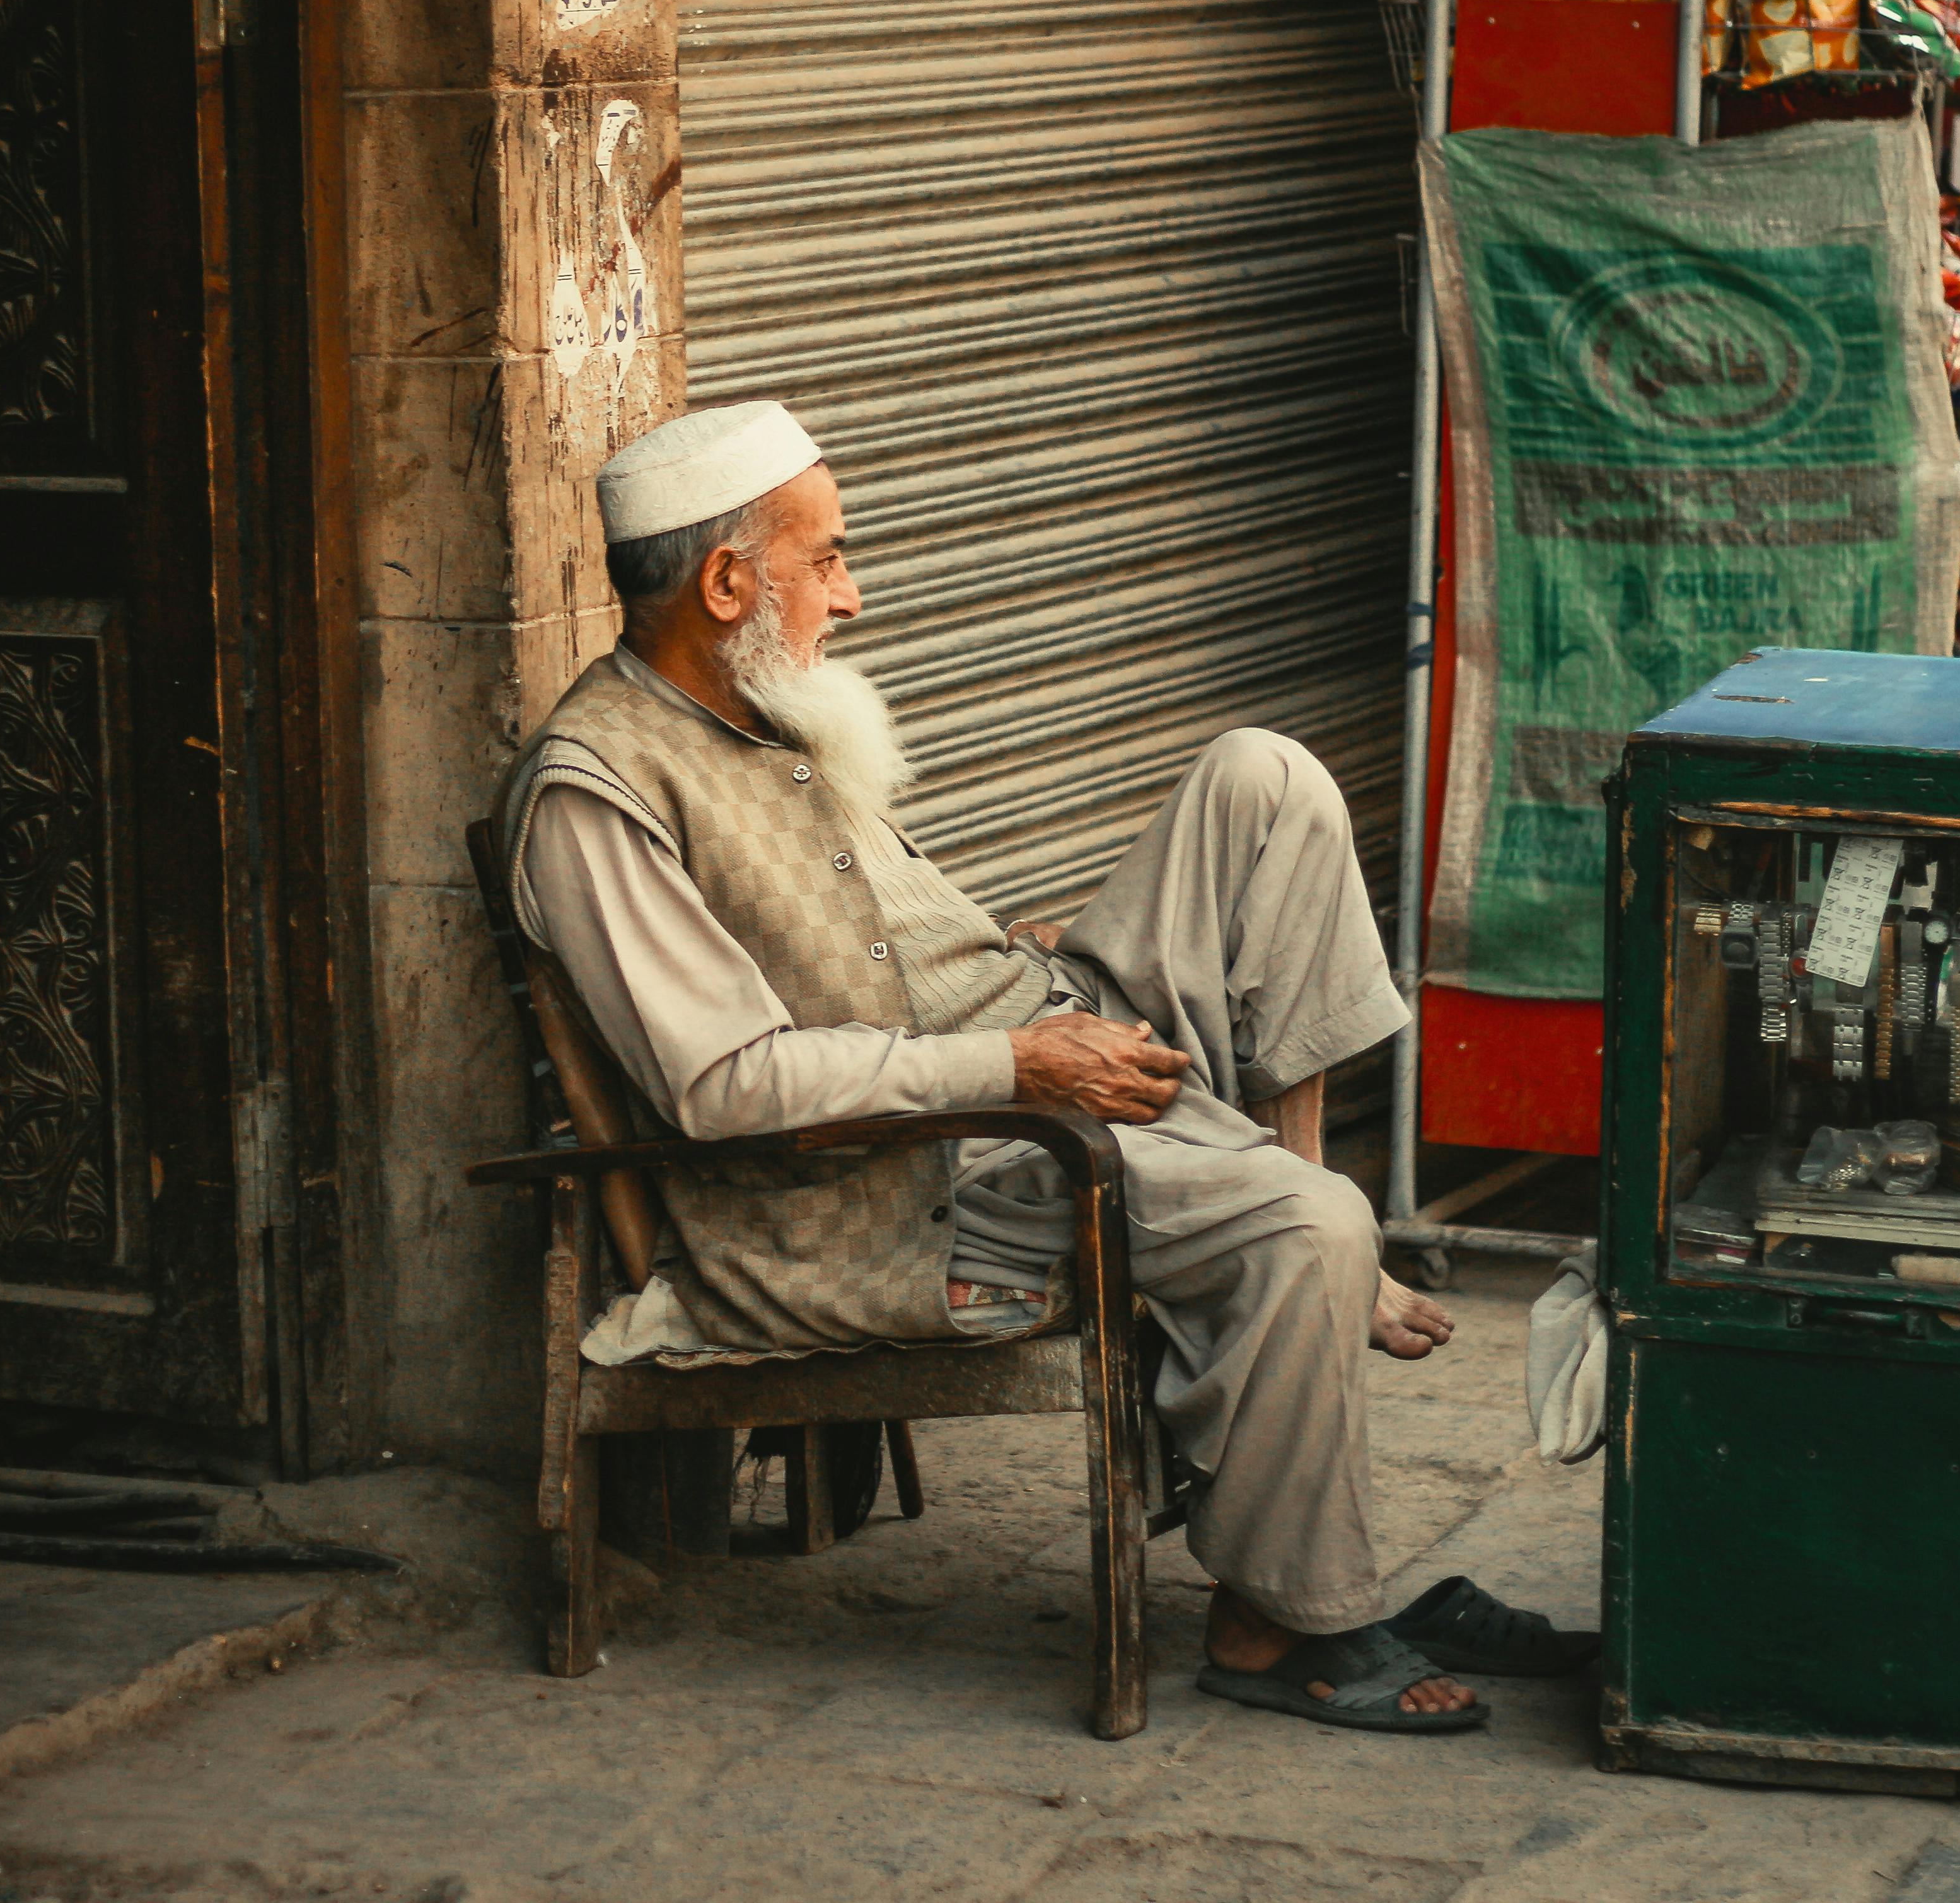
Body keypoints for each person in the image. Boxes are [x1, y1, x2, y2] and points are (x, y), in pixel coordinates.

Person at [499, 402, 1492, 1730]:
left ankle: (1293, 1258)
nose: (853, 598)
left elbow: (873, 933)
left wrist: (1016, 990)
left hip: (1026, 1032)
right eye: (829, 560)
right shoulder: (598, 789)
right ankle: (1275, 1618)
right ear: (730, 583)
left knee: (1266, 780)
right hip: (923, 1176)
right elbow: (727, 1087)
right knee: (1308, 1227)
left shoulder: (756, 696)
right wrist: (1016, 1062)